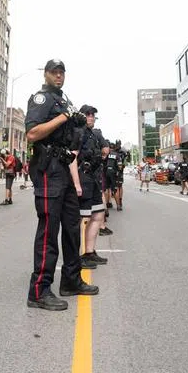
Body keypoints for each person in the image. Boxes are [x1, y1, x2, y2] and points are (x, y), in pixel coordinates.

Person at [25, 59, 97, 310]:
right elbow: (32, 134)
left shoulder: (63, 99)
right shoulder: (41, 99)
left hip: (64, 168)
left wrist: (74, 120)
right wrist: (63, 118)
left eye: (61, 73)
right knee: (49, 231)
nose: (59, 76)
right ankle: (39, 290)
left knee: (71, 227)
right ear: (45, 74)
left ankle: (71, 279)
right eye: (54, 72)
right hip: (48, 169)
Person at [75, 104, 108, 269]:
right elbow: (72, 158)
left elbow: (105, 149)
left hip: (93, 180)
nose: (91, 117)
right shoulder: (77, 132)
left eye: (93, 115)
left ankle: (89, 253)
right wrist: (75, 183)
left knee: (98, 215)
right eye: (88, 115)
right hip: (82, 179)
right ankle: (75, 258)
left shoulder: (94, 133)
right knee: (80, 219)